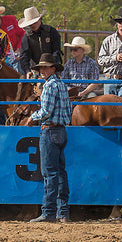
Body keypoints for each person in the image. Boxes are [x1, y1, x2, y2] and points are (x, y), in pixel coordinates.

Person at [28, 53, 72, 223]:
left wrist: (33, 117)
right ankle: (63, 212)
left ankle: (48, 212)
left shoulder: (48, 86)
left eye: (45, 67)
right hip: (61, 130)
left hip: (50, 130)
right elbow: (68, 110)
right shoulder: (62, 85)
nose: (42, 70)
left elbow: (45, 111)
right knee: (60, 172)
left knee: (49, 173)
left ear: (53, 69)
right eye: (41, 68)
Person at [18, 6, 63, 76]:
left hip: (52, 68)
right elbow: (24, 57)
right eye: (30, 24)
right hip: (35, 69)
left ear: (40, 19)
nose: (32, 25)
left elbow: (56, 51)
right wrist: (27, 71)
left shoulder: (52, 32)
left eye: (34, 22)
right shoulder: (27, 37)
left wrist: (50, 67)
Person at [98, 7, 122, 96]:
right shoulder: (108, 40)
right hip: (109, 79)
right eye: (119, 21)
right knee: (109, 108)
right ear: (117, 24)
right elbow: (100, 60)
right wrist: (115, 58)